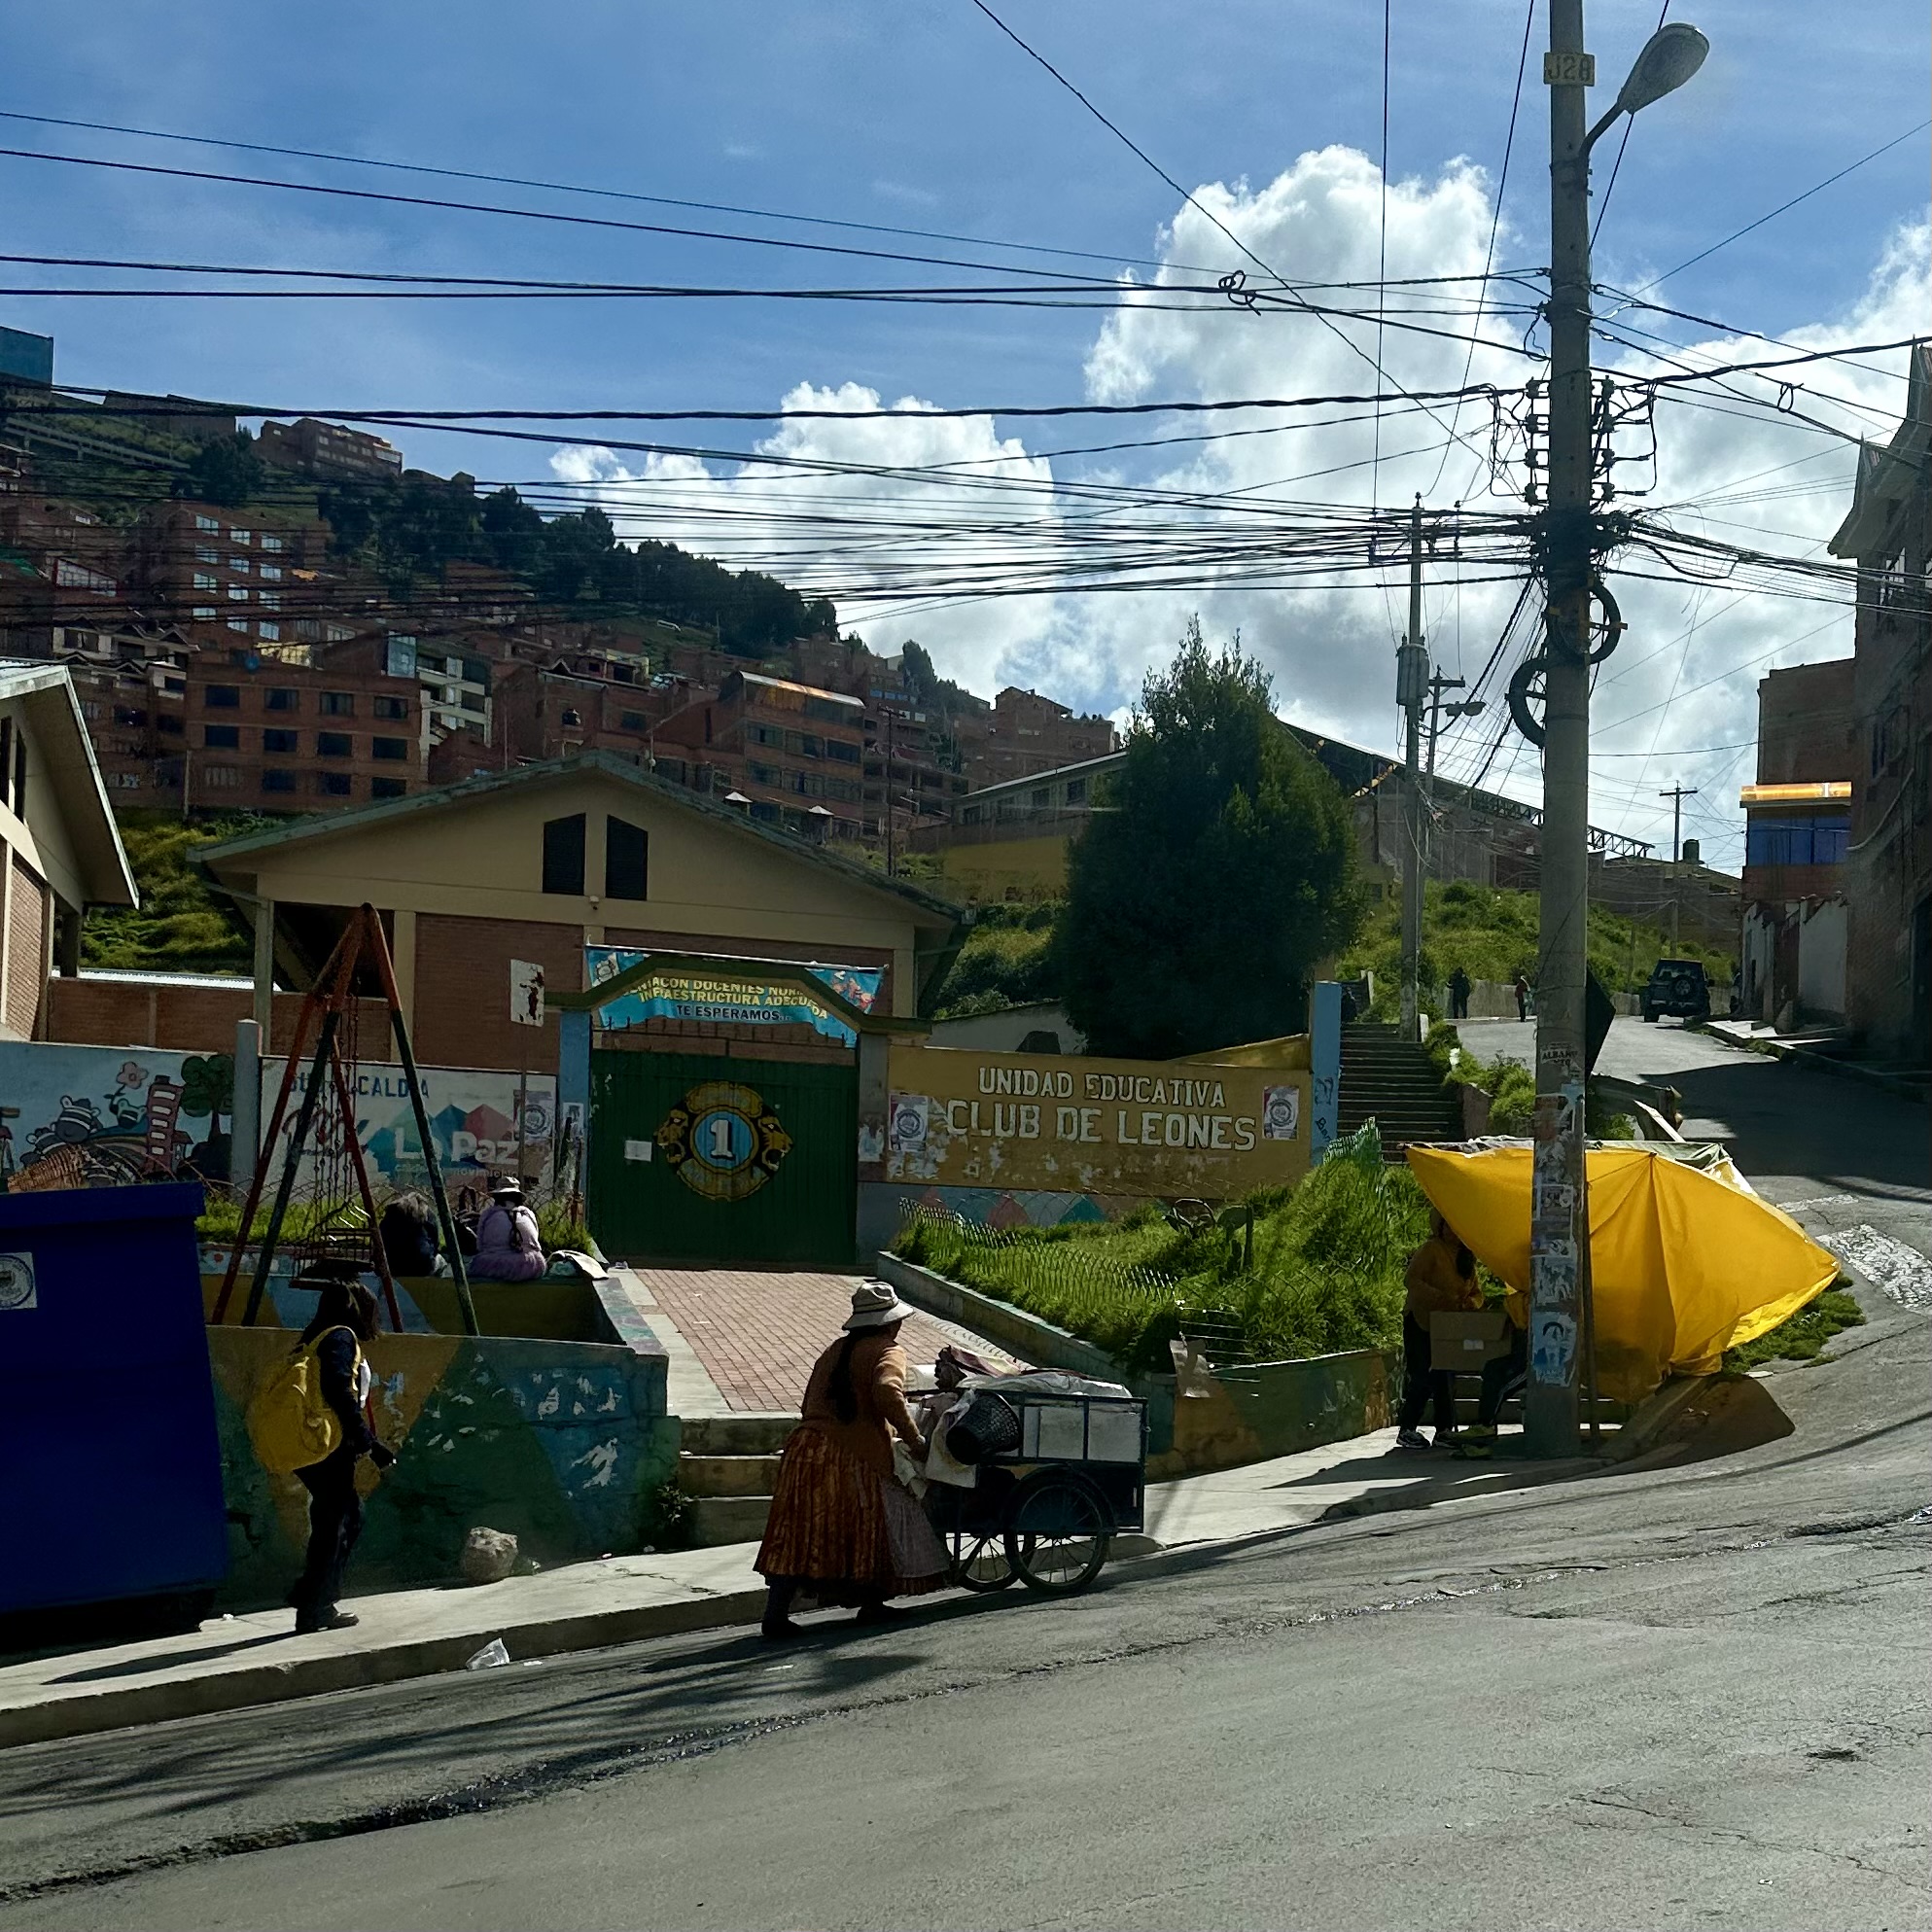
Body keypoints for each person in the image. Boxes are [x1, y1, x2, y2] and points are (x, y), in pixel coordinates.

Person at [756, 1281, 949, 1638]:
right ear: (892, 1323)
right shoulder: (888, 1350)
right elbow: (887, 1392)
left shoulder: (834, 1351)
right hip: (853, 1456)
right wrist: (915, 1439)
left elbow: (810, 1401)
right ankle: (872, 1604)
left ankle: (775, 1614)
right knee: (871, 1527)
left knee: (798, 1532)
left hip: (805, 1450)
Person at [289, 1273, 396, 1633]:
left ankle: (311, 1597)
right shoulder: (340, 1337)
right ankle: (316, 1604)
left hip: (314, 1444)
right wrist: (368, 1443)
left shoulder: (314, 1337)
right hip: (329, 1445)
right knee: (339, 1523)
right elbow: (338, 1389)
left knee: (340, 1519)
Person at [1396, 1211, 1483, 1449]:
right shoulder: (1431, 1249)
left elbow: (1477, 1293)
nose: (1452, 1232)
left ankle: (1444, 1430)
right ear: (1441, 1228)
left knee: (1445, 1376)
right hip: (1420, 1320)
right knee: (1421, 1375)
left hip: (1448, 1326)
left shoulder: (1466, 1257)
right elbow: (1411, 1281)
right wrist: (1440, 1298)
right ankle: (1407, 1429)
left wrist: (1470, 1303)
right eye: (1448, 1226)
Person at [1459, 1278, 1529, 1455]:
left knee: (1502, 1384)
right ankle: (1485, 1425)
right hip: (1522, 1353)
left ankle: (1486, 1425)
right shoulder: (1522, 1304)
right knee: (1492, 1368)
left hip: (1534, 1363)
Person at [471, 1178, 545, 1282]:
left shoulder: (488, 1215)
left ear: (497, 1197)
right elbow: (536, 1244)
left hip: (499, 1266)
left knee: (476, 1262)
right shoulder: (528, 1214)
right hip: (532, 1266)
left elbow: (480, 1246)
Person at [377, 1191, 439, 1277]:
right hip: (422, 1267)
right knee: (442, 1261)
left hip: (390, 1266)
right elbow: (435, 1243)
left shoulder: (391, 1214)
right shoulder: (428, 1215)